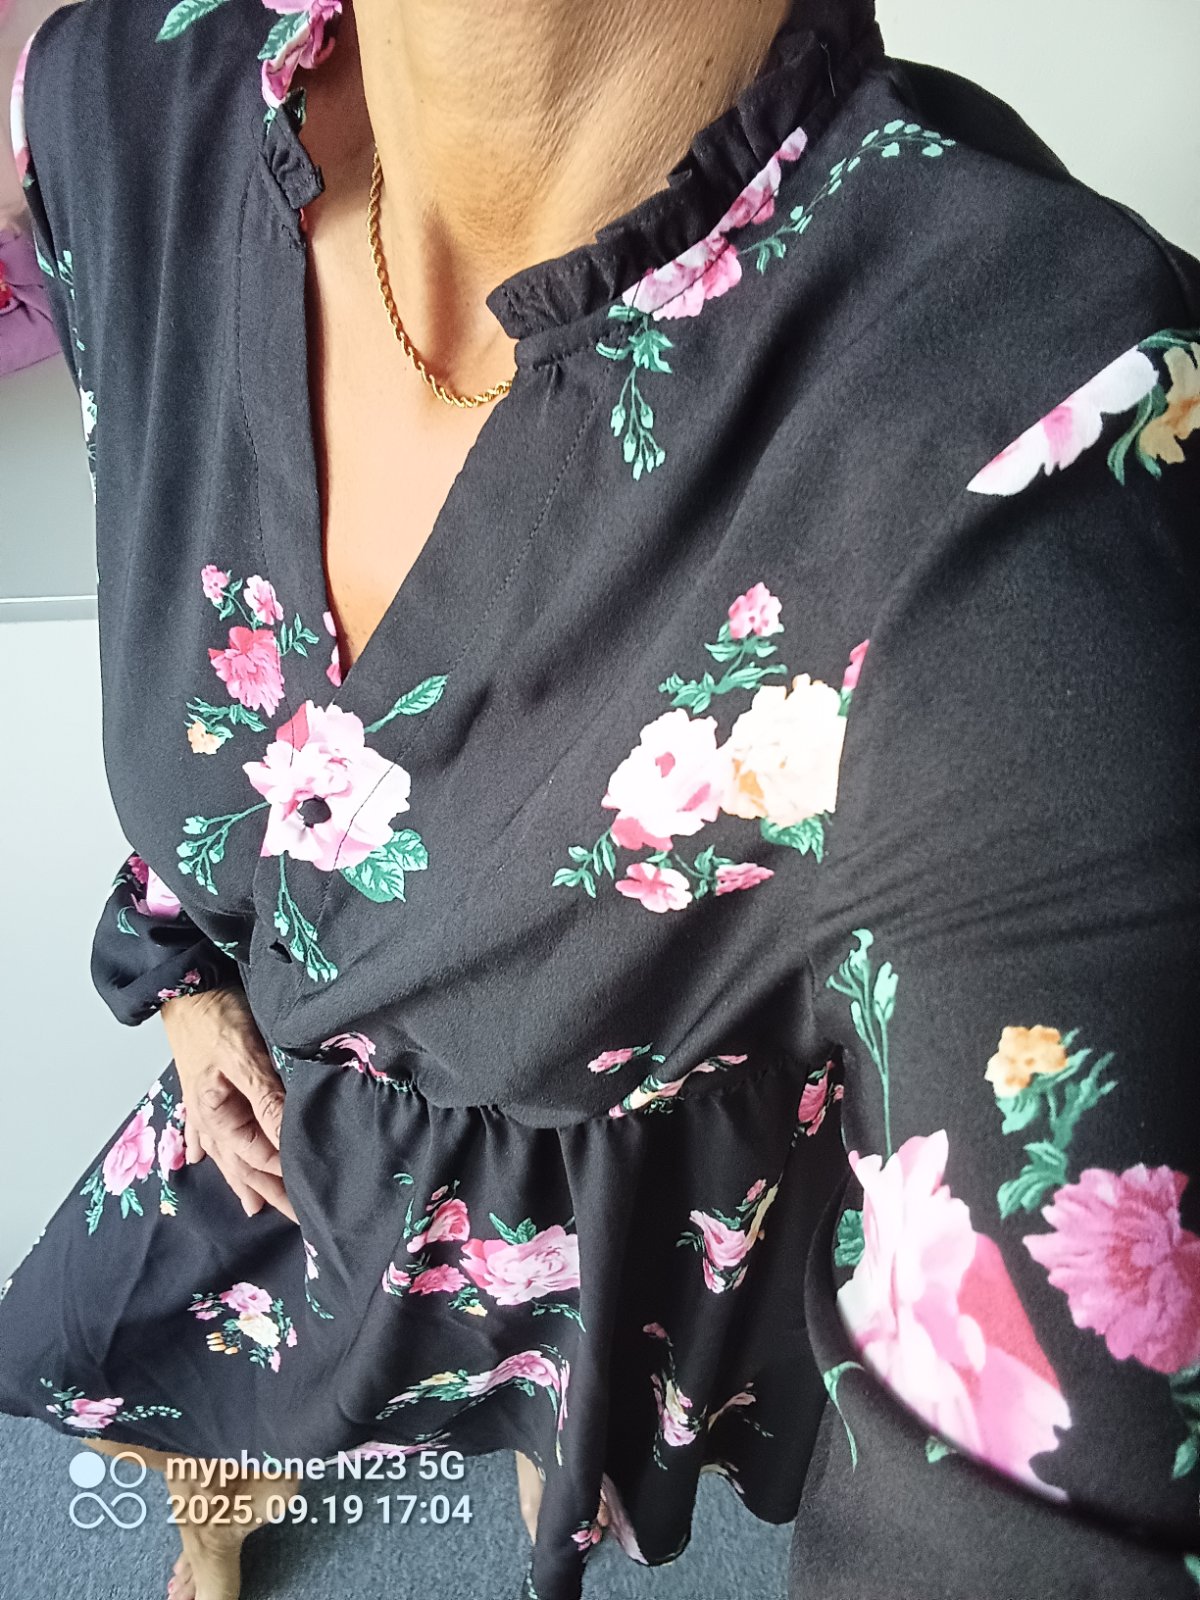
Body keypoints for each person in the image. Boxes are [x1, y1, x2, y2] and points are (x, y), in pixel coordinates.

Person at [3, 0, 1199, 1596]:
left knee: (553, 1462)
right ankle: (212, 1541)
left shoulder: (1022, 433)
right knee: (161, 1376)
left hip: (610, 1213)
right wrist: (181, 982)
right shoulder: (118, 106)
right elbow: (224, 715)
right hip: (281, 1121)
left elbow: (1040, 1498)